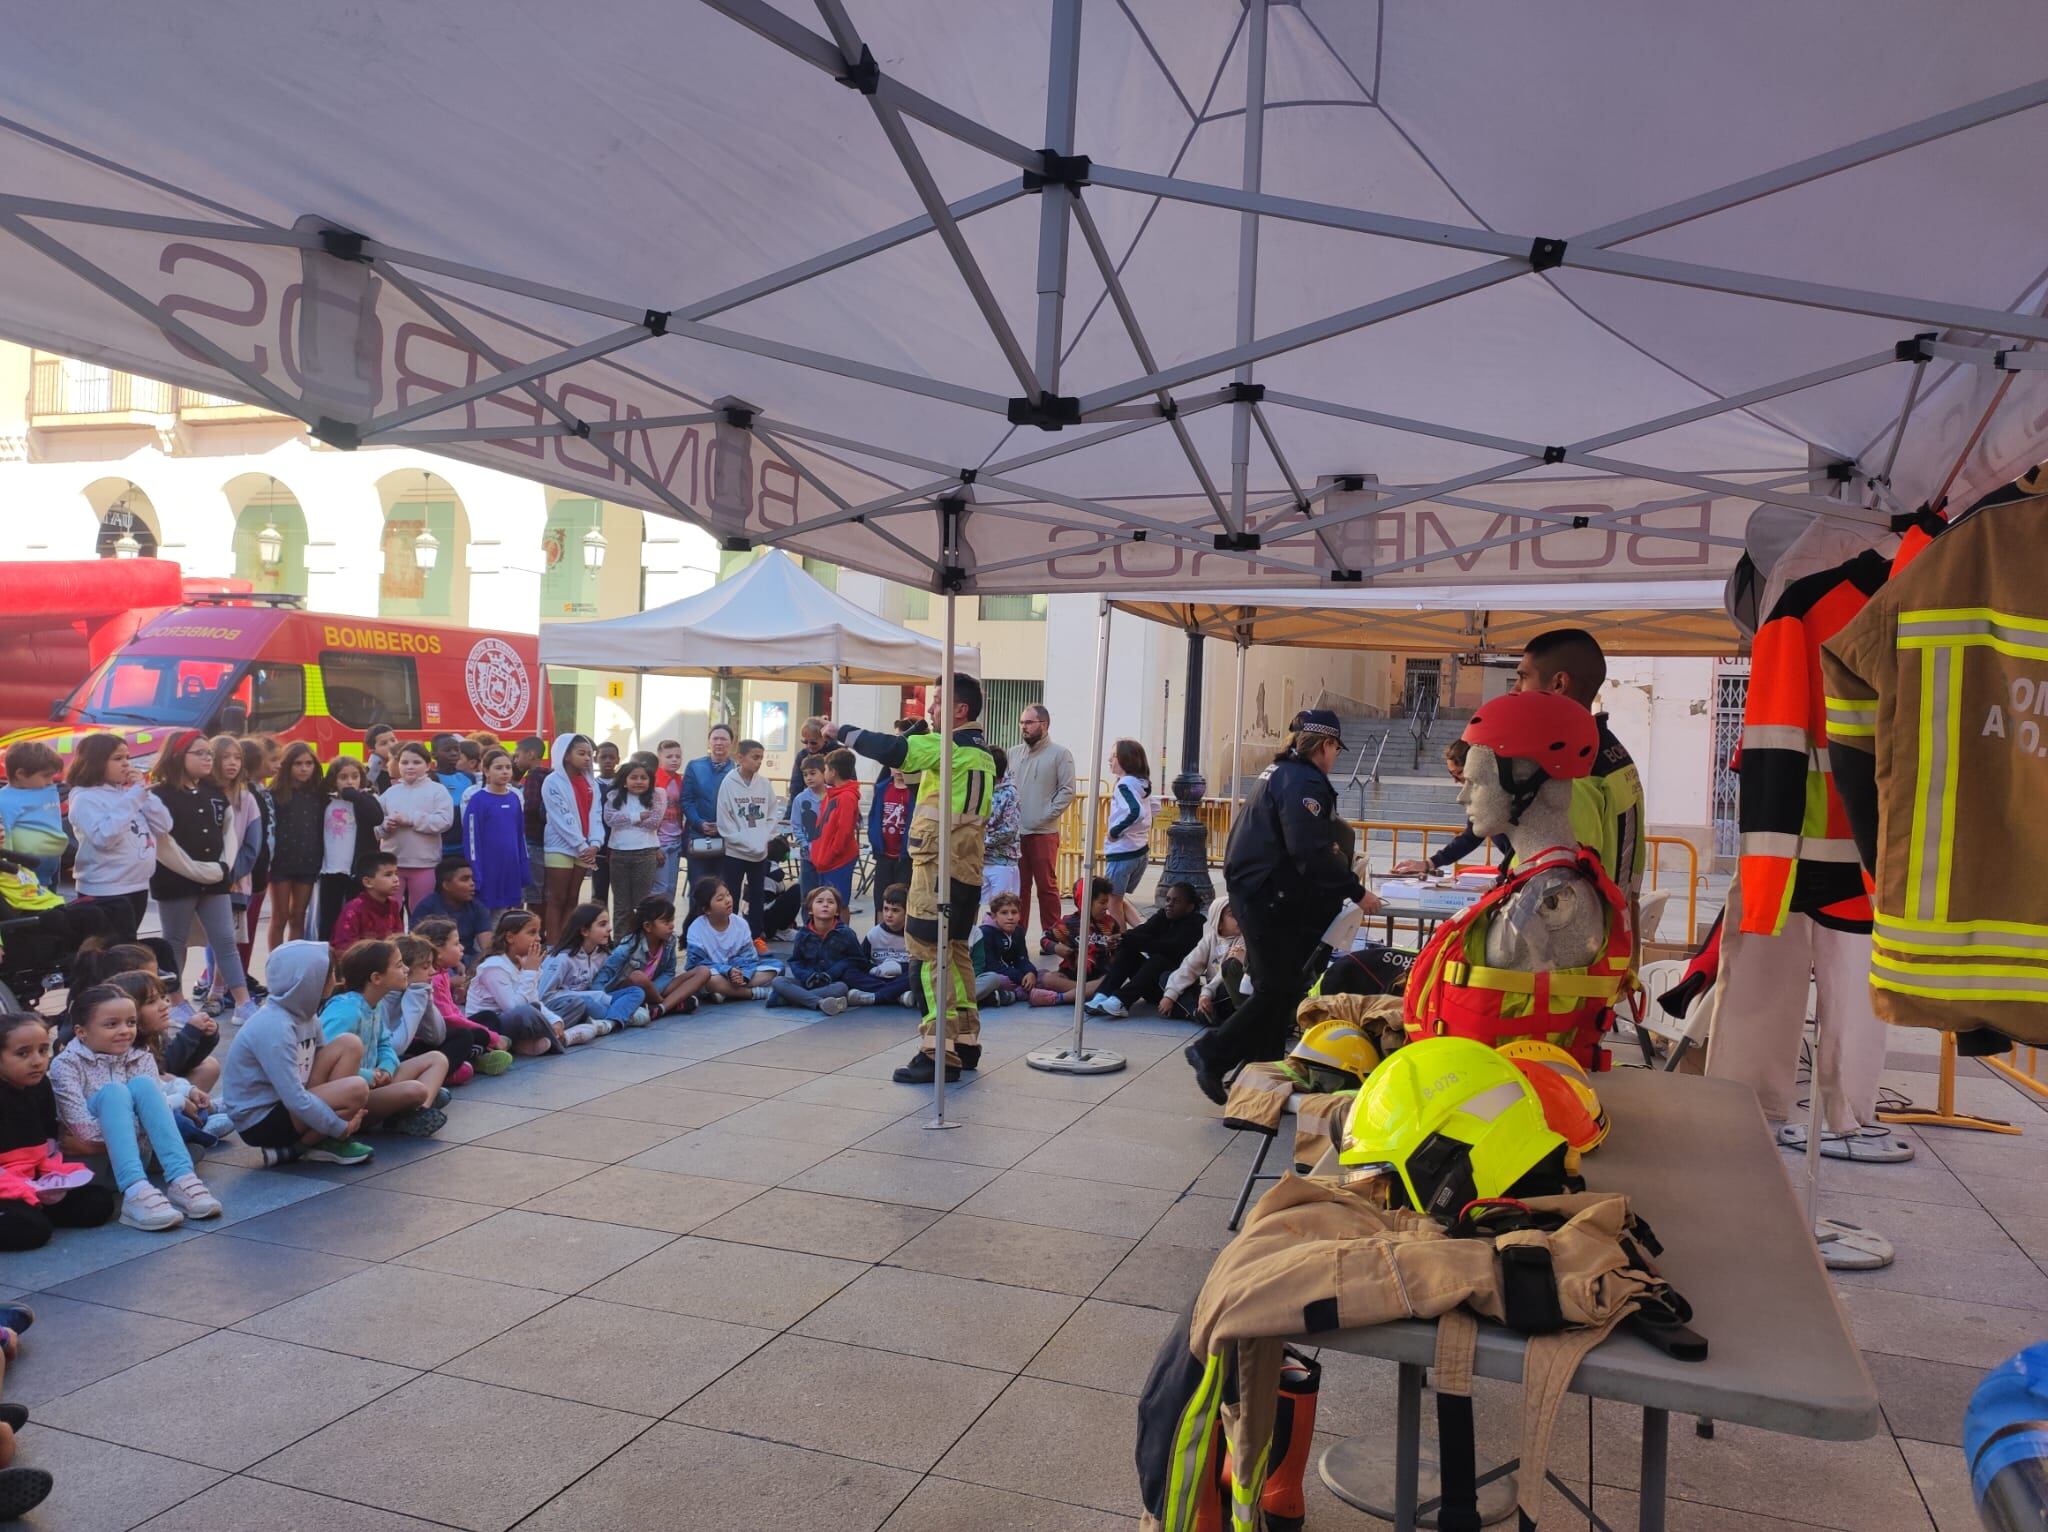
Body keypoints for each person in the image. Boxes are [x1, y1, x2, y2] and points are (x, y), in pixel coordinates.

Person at [1186, 710, 1365, 1104]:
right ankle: (1211, 1053)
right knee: (1278, 989)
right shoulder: (1303, 781)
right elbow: (1308, 850)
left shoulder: (1281, 772)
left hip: (1258, 892)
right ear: (1325, 745)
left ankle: (1260, 1083)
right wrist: (1355, 889)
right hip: (1267, 897)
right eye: (1336, 748)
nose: (1336, 757)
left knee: (1277, 990)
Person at [839, 674, 995, 1084]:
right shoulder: (980, 752)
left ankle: (935, 1050)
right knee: (956, 951)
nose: (929, 710)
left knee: (927, 957)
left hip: (936, 870)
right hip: (966, 869)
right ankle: (964, 1041)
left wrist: (840, 732)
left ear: (960, 710)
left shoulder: (949, 747)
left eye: (938, 702)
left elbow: (894, 749)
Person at [49, 984, 221, 1229]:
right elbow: (83, 1132)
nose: (124, 1031)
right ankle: (134, 1193)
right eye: (111, 1024)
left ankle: (181, 1178)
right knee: (114, 1093)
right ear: (81, 1032)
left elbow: (158, 1112)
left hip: (133, 1154)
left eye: (130, 1022)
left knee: (144, 1086)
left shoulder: (140, 1056)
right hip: (90, 1165)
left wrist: (131, 1128)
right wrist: (147, 1126)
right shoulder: (66, 1065)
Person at [1514, 628, 1645, 946]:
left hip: (1567, 959)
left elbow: (1564, 883)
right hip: (1604, 944)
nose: (1516, 690)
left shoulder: (1572, 766)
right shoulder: (1611, 750)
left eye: (1523, 677)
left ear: (1558, 683)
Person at [217, 939, 375, 1168]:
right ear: (308, 980)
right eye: (329, 972)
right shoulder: (274, 1026)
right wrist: (340, 1127)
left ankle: (312, 1144)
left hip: (287, 1103)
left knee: (349, 1044)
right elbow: (294, 1098)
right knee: (356, 1088)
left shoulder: (305, 1014)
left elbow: (321, 1061)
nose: (335, 978)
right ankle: (303, 1147)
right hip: (261, 1119)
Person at [146, 730, 253, 1019]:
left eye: (209, 753)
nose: (209, 759)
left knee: (225, 940)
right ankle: (174, 1001)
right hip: (175, 880)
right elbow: (164, 843)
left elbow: (228, 834)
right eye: (201, 753)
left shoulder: (214, 793)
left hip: (216, 879)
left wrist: (222, 867)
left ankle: (243, 1003)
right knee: (175, 943)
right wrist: (196, 870)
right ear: (179, 756)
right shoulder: (157, 795)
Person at [0, 1012, 117, 1252]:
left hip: (32, 1180)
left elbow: (48, 1139)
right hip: (5, 1183)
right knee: (33, 1230)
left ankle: (34, 1211)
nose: (37, 1061)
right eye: (23, 1053)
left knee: (99, 1203)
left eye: (43, 1051)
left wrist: (48, 1180)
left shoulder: (41, 1085)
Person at [319, 940, 449, 1134]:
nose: (406, 969)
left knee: (437, 1059)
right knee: (417, 1090)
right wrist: (370, 1076)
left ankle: (415, 1113)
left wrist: (386, 1068)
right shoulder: (345, 1011)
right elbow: (322, 1064)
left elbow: (385, 1043)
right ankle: (404, 1111)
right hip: (353, 1092)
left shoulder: (375, 1005)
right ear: (376, 978)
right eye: (399, 965)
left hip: (375, 1081)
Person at [65, 734, 158, 942]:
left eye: (127, 757)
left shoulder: (126, 793)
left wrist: (144, 793)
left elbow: (164, 824)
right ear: (96, 762)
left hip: (137, 884)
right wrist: (133, 798)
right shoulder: (85, 798)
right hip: (106, 889)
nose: (126, 763)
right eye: (117, 758)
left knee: (129, 946)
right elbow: (104, 837)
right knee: (115, 952)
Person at [1389, 740, 1513, 875]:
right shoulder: (1481, 802)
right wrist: (1430, 863)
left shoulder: (1500, 798)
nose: (1455, 780)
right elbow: (1470, 837)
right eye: (1451, 774)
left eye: (1459, 773)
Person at [410, 919, 512, 1081]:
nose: (462, 948)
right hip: (426, 1039)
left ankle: (474, 1056)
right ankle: (448, 1070)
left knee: (487, 1017)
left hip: (442, 1031)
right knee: (467, 1035)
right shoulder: (432, 978)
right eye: (456, 944)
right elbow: (448, 1020)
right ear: (438, 951)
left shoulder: (442, 972)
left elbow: (454, 1011)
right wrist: (490, 1036)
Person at [1085, 881, 1206, 1017]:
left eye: (1176, 901)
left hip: (1173, 990)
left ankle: (1121, 1001)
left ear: (1189, 907)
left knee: (1158, 960)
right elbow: (1144, 930)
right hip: (1150, 984)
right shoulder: (1164, 915)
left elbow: (1168, 947)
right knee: (1128, 952)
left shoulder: (1194, 926)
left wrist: (1132, 940)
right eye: (1167, 899)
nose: (1169, 904)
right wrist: (1122, 938)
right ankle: (1102, 995)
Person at [1012, 703, 1075, 943]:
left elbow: (1067, 791)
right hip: (1016, 835)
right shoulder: (1013, 753)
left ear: (1044, 725)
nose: (1023, 727)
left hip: (1043, 833)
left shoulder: (1060, 754)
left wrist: (1045, 815)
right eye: (1022, 722)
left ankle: (1052, 937)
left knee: (1046, 887)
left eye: (1029, 722)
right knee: (1020, 889)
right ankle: (1016, 937)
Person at [466, 910, 567, 1056]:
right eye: (532, 933)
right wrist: (530, 972)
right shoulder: (494, 967)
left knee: (573, 1004)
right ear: (510, 937)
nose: (539, 938)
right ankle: (565, 1038)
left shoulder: (524, 963)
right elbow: (513, 1008)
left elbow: (534, 1000)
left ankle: (525, 1043)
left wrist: (556, 1020)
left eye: (539, 933)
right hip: (492, 1026)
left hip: (520, 1020)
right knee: (526, 1012)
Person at [596, 894, 708, 1020]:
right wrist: (599, 1001)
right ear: (648, 926)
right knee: (638, 977)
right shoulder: (628, 947)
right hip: (632, 991)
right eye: (666, 922)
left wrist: (654, 988)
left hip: (655, 987)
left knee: (703, 971)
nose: (671, 925)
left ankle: (660, 1008)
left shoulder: (669, 941)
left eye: (672, 920)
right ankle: (668, 1004)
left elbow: (669, 972)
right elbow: (604, 975)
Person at [771, 886, 879, 1014]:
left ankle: (791, 998)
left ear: (837, 911)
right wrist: (807, 976)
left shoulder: (846, 933)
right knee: (778, 981)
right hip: (808, 982)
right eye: (820, 901)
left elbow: (858, 961)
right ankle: (820, 1002)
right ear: (810, 910)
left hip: (832, 983)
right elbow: (796, 961)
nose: (825, 905)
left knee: (842, 988)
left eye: (830, 902)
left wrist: (834, 972)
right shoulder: (803, 934)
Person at [378, 741, 455, 915]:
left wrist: (412, 820)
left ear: (428, 765)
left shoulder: (438, 791)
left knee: (421, 913)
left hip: (424, 864)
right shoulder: (391, 792)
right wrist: (385, 826)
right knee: (389, 912)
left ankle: (419, 942)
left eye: (416, 762)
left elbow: (445, 820)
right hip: (392, 863)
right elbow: (374, 823)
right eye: (404, 763)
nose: (410, 767)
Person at [540, 733, 601, 943]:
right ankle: (552, 945)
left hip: (585, 847)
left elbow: (596, 814)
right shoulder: (552, 782)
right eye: (581, 753)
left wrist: (595, 843)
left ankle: (566, 944)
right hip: (560, 846)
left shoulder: (591, 783)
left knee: (573, 898)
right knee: (557, 898)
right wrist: (581, 844)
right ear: (566, 755)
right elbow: (560, 816)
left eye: (590, 755)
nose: (587, 758)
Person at [315, 756, 384, 943]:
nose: (349, 781)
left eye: (354, 776)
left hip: (357, 871)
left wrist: (355, 795)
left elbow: (377, 817)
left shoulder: (366, 799)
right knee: (329, 917)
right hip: (331, 869)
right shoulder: (326, 802)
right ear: (333, 780)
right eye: (343, 777)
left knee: (357, 916)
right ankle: (328, 957)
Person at [267, 742, 326, 947]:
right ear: (287, 766)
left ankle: (293, 961)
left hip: (308, 861)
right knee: (280, 917)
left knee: (298, 916)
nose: (304, 768)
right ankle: (275, 963)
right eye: (298, 763)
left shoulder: (319, 794)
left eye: (309, 763)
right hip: (281, 863)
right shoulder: (274, 793)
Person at [540, 903, 631, 1032]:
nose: (610, 928)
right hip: (566, 1007)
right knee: (588, 1004)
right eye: (602, 924)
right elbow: (543, 996)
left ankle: (613, 1018)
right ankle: (618, 1016)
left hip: (593, 999)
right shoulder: (561, 958)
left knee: (635, 992)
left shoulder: (602, 954)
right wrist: (586, 996)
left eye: (608, 923)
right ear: (584, 931)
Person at [684, 876, 776, 1003]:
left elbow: (749, 957)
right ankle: (751, 993)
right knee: (708, 979)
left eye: (728, 895)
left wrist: (741, 975)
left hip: (739, 971)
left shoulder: (740, 924)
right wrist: (727, 971)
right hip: (714, 974)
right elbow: (696, 964)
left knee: (776, 967)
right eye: (720, 899)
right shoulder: (696, 928)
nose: (728, 901)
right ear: (707, 909)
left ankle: (725, 992)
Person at [716, 738, 776, 929]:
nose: (759, 762)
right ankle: (730, 933)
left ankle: (756, 935)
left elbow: (772, 815)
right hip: (736, 851)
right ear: (740, 757)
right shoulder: (728, 783)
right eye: (755, 757)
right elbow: (725, 820)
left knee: (757, 895)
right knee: (731, 894)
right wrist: (743, 841)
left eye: (761, 758)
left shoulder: (765, 784)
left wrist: (763, 838)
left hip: (759, 852)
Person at [463, 746, 529, 919]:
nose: (505, 772)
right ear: (486, 771)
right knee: (484, 917)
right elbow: (471, 840)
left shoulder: (514, 798)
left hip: (509, 870)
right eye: (498, 768)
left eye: (508, 767)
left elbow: (520, 836)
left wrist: (523, 867)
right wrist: (475, 871)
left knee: (503, 917)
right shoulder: (478, 800)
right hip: (487, 870)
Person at [1159, 898, 1246, 1023]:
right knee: (1166, 977)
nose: (1239, 917)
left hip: (1224, 991)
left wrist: (1206, 993)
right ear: (1219, 922)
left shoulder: (1244, 939)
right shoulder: (1210, 939)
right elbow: (1190, 965)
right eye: (1233, 915)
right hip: (1209, 992)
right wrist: (1170, 996)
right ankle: (1200, 1013)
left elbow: (1224, 973)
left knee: (1226, 991)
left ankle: (1192, 1012)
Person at [603, 756, 665, 927]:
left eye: (643, 778)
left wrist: (625, 820)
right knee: (622, 904)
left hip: (645, 854)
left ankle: (640, 942)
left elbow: (653, 822)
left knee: (642, 904)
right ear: (624, 781)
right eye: (634, 777)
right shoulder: (614, 796)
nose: (639, 781)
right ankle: (621, 944)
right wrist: (636, 816)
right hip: (618, 853)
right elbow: (609, 819)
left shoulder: (656, 796)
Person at [1041, 876, 1120, 999]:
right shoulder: (1067, 923)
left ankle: (1064, 997)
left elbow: (1118, 953)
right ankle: (1090, 991)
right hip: (1072, 973)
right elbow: (1045, 939)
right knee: (1047, 979)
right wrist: (1056, 947)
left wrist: (1116, 945)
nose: (1106, 907)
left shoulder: (1111, 924)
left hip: (1100, 973)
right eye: (1102, 902)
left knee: (1113, 978)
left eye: (1107, 902)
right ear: (1085, 901)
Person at [0, 742, 65, 891]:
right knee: (39, 905)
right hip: (28, 867)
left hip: (53, 863)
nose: (50, 781)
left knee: (52, 900)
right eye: (46, 776)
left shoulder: (44, 790)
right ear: (20, 774)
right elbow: (5, 839)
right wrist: (10, 870)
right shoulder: (6, 800)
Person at [1101, 739, 1155, 917]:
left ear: (1126, 758)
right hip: (1139, 850)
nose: (1109, 759)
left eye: (1114, 755)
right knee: (1118, 899)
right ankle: (1141, 931)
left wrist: (1114, 832)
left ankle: (1121, 942)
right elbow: (1152, 808)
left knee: (1112, 902)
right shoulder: (1141, 783)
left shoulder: (1124, 784)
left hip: (1122, 852)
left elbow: (1136, 811)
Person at [973, 891, 1056, 1006]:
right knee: (996, 980)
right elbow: (991, 965)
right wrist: (1021, 977)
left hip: (1010, 975)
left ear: (1020, 915)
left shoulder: (1018, 931)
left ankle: (1004, 995)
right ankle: (1014, 995)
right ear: (994, 916)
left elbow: (1022, 958)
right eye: (1004, 913)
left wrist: (1030, 972)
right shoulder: (985, 932)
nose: (1010, 917)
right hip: (989, 975)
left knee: (1043, 974)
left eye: (1014, 912)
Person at [680, 724, 737, 892]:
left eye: (724, 739)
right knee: (698, 889)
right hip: (698, 835)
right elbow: (686, 799)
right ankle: (696, 919)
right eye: (715, 738)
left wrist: (722, 825)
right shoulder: (695, 767)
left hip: (727, 837)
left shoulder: (737, 770)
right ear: (709, 742)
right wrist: (699, 822)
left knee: (722, 889)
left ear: (731, 743)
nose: (719, 743)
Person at [411, 856, 491, 963]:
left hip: (468, 960)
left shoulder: (477, 908)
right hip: (436, 961)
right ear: (446, 885)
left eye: (472, 878)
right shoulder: (426, 907)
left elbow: (488, 947)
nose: (472, 883)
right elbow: (417, 947)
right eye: (465, 879)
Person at [811, 748, 861, 907]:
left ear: (833, 772)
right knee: (826, 903)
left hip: (837, 861)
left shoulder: (846, 797)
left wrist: (829, 856)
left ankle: (840, 932)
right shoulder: (832, 794)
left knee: (838, 905)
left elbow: (843, 833)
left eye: (825, 769)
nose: (824, 772)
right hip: (825, 860)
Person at [333, 851, 405, 950]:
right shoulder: (353, 910)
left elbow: (399, 939)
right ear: (368, 882)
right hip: (362, 962)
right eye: (388, 875)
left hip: (391, 960)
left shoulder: (393, 904)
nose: (396, 879)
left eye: (396, 873)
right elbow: (343, 947)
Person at [867, 763, 916, 909]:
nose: (900, 770)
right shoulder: (882, 788)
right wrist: (874, 839)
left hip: (905, 857)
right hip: (884, 854)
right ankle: (880, 929)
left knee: (902, 901)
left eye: (905, 765)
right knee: (880, 900)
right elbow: (874, 817)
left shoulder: (915, 792)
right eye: (896, 765)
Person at [863, 883, 916, 1009]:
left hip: (902, 977)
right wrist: (873, 969)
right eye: (886, 909)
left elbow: (921, 965)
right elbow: (861, 962)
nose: (888, 915)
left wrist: (900, 968)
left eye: (895, 910)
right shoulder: (874, 934)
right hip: (879, 978)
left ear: (907, 912)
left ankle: (876, 997)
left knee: (916, 975)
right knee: (849, 973)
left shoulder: (914, 936)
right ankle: (897, 996)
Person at [982, 746, 1021, 915]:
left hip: (1003, 862)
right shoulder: (981, 788)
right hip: (981, 861)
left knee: (1003, 912)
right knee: (980, 911)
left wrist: (983, 842)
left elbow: (1010, 829)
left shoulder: (1009, 793)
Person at [515, 735, 549, 914]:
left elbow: (531, 806)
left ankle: (533, 931)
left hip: (533, 840)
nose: (516, 759)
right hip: (546, 840)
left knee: (533, 893)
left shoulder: (534, 775)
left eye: (518, 754)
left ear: (531, 754)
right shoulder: (549, 774)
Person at [788, 751, 825, 900]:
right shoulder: (800, 799)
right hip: (808, 856)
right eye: (805, 774)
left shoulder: (833, 795)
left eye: (813, 773)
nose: (808, 778)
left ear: (824, 772)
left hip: (828, 855)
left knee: (827, 893)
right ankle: (807, 922)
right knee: (808, 895)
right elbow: (796, 825)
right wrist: (804, 844)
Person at [431, 734, 475, 857]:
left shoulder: (468, 777)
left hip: (465, 844)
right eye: (447, 750)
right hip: (440, 846)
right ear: (433, 754)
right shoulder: (431, 779)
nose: (454, 753)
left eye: (457, 749)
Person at [655, 738, 687, 898]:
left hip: (676, 839)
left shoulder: (681, 780)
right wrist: (653, 846)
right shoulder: (653, 780)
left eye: (678, 756)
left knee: (671, 888)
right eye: (669, 756)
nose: (674, 760)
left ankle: (667, 921)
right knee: (659, 888)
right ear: (660, 757)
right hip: (658, 842)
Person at [787, 715, 830, 804]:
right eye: (805, 742)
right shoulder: (802, 755)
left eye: (813, 742)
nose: (809, 746)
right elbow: (795, 786)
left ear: (824, 738)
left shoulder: (837, 753)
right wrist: (789, 815)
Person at [361, 725, 397, 791]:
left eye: (393, 740)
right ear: (373, 750)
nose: (391, 745)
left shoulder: (404, 769)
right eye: (383, 743)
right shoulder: (370, 775)